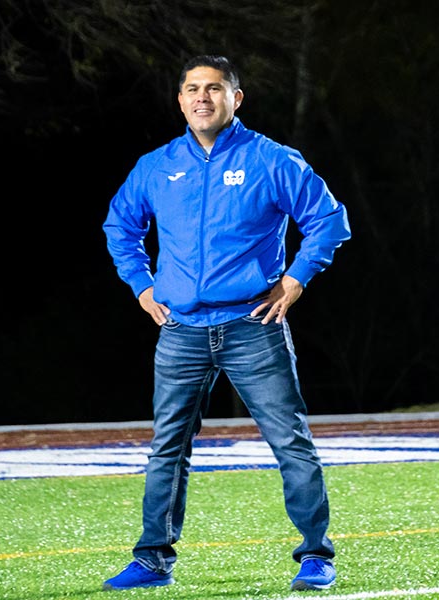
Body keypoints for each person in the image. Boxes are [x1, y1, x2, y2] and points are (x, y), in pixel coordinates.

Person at [102, 55, 350, 592]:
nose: (202, 97)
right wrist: (141, 287)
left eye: (214, 88)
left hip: (252, 325)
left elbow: (329, 219)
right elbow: (119, 225)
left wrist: (296, 278)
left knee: (290, 442)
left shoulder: (272, 159)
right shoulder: (157, 165)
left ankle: (316, 555)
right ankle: (151, 559)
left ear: (236, 98)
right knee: (168, 446)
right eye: (192, 88)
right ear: (180, 99)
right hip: (181, 331)